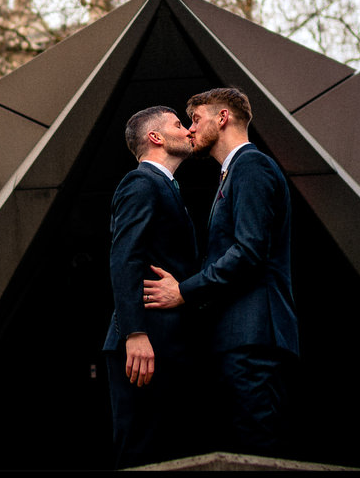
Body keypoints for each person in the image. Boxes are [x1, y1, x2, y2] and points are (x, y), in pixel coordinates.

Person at [143, 86, 299, 457]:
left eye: (196, 119)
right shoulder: (234, 174)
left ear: (223, 118)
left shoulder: (252, 166)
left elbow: (248, 251)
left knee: (258, 448)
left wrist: (185, 290)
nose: (190, 129)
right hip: (241, 337)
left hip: (255, 335)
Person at [102, 106, 199, 468]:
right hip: (143, 346)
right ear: (156, 138)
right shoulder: (141, 183)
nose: (188, 130)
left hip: (168, 342)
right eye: (178, 124)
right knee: (141, 454)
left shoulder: (168, 187)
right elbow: (124, 257)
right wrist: (135, 332)